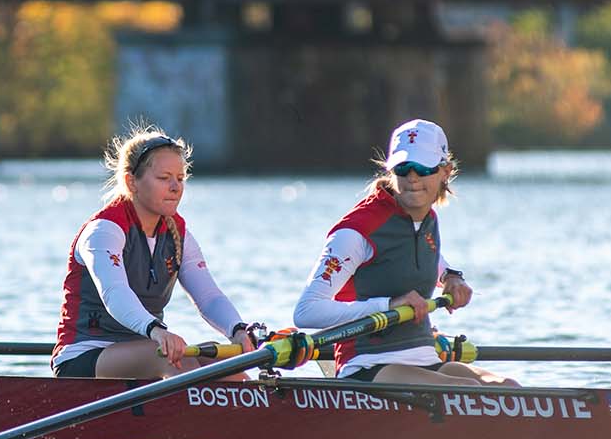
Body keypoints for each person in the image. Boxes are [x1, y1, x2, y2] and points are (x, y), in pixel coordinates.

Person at [291, 119, 506, 386]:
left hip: (425, 358)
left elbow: (422, 254)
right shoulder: (356, 231)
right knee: (468, 390)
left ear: (445, 172)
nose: (412, 177)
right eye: (403, 168)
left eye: (422, 167)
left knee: (507, 387)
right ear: (391, 171)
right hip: (367, 365)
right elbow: (306, 311)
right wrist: (388, 306)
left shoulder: (426, 220)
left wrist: (451, 277)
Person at [53, 125, 257, 379]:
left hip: (148, 347)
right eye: (164, 178)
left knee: (229, 370)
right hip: (85, 356)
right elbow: (115, 294)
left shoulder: (178, 234)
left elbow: (209, 296)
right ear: (131, 182)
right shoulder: (104, 231)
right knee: (178, 363)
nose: (175, 187)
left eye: (180, 178)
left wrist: (237, 330)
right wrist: (157, 331)